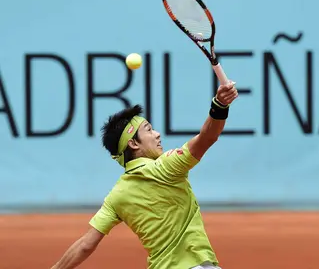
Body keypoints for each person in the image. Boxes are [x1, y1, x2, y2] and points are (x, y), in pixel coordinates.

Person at [50, 81, 238, 269]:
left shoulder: (116, 196)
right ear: (133, 144)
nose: (157, 134)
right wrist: (219, 105)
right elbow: (208, 136)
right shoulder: (166, 168)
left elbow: (85, 245)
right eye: (148, 129)